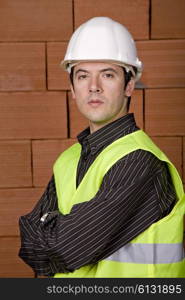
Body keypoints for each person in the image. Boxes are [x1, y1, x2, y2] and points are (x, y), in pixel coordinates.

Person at [19, 17, 185, 278]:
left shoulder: (140, 162)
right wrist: (53, 238)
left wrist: (53, 232)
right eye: (83, 76)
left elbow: (65, 248)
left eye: (108, 74)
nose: (93, 87)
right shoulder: (68, 159)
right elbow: (29, 246)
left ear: (129, 85)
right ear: (73, 88)